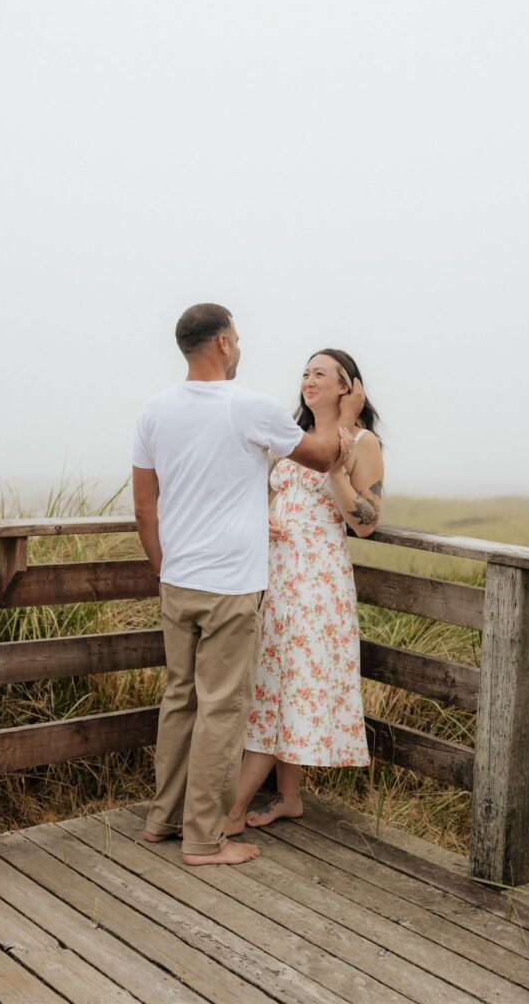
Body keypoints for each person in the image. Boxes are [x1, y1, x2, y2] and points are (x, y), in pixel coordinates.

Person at [132, 307, 365, 866]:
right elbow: (326, 455)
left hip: (179, 581)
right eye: (236, 339)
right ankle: (205, 839)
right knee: (221, 709)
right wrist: (349, 410)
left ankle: (162, 820)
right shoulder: (250, 406)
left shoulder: (154, 411)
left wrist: (164, 569)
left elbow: (145, 505)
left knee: (179, 700)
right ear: (221, 343)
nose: (239, 347)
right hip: (231, 586)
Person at [225, 349, 383, 834]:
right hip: (276, 577)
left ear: (346, 386)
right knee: (273, 685)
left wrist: (336, 466)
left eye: (320, 374)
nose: (308, 380)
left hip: (317, 585)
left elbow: (367, 524)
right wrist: (261, 516)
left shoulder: (361, 441)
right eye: (305, 373)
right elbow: (266, 494)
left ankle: (229, 815)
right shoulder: (292, 438)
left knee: (282, 687)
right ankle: (288, 798)